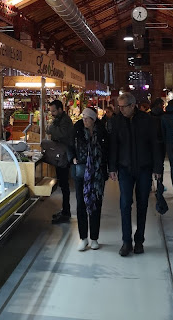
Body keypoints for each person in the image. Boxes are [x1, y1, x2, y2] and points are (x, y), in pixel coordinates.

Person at [109, 92, 163, 256]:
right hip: (124, 167)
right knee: (125, 203)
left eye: (123, 107)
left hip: (144, 167)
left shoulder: (147, 120)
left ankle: (139, 240)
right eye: (119, 106)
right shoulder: (117, 121)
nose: (120, 110)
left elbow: (156, 144)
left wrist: (158, 168)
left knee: (142, 203)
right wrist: (112, 167)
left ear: (133, 105)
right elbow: (113, 145)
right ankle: (126, 241)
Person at [73, 107, 109, 251]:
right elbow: (69, 145)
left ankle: (94, 237)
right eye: (83, 118)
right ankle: (83, 238)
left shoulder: (102, 132)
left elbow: (107, 150)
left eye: (87, 118)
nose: (84, 120)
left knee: (95, 203)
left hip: (97, 173)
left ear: (93, 119)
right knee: (81, 204)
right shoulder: (77, 130)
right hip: (81, 170)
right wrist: (72, 157)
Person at [47, 99, 74, 224]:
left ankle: (66, 213)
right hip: (60, 155)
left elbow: (60, 133)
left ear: (60, 109)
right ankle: (64, 211)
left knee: (64, 185)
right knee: (63, 185)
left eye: (53, 111)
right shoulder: (59, 119)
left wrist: (50, 127)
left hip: (64, 156)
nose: (52, 113)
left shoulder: (65, 121)